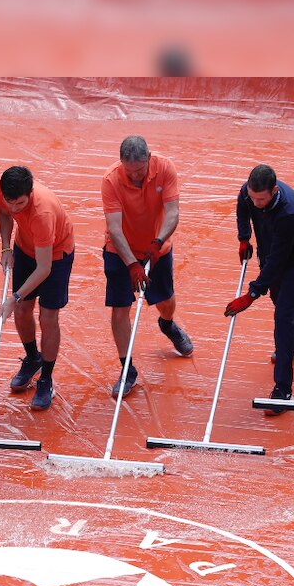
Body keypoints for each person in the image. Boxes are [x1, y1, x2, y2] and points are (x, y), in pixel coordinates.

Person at [101, 135, 192, 399]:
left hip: (157, 247)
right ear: (121, 164)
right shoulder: (111, 180)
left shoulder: (165, 168)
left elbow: (173, 212)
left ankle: (167, 324)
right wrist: (131, 263)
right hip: (120, 251)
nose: (135, 177)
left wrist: (157, 243)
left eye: (139, 171)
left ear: (149, 159)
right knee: (120, 310)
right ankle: (127, 369)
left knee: (165, 300)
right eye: (129, 172)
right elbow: (115, 229)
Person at [224, 164, 294, 414]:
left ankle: (283, 390)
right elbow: (243, 205)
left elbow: (278, 262)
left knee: (283, 314)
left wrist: (252, 294)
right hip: (270, 250)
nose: (255, 203)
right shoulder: (250, 193)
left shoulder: (290, 213)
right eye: (253, 197)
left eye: (261, 199)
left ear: (274, 191)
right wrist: (244, 237)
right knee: (280, 301)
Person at [0, 166, 75, 411]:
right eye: (11, 202)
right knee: (21, 311)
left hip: (55, 256)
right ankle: (33, 359)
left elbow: (44, 269)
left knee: (48, 317)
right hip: (25, 247)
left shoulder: (43, 213)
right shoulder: (1, 186)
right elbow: (4, 214)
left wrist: (14, 296)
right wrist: (6, 248)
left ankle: (46, 379)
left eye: (20, 203)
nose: (15, 208)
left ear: (29, 193)